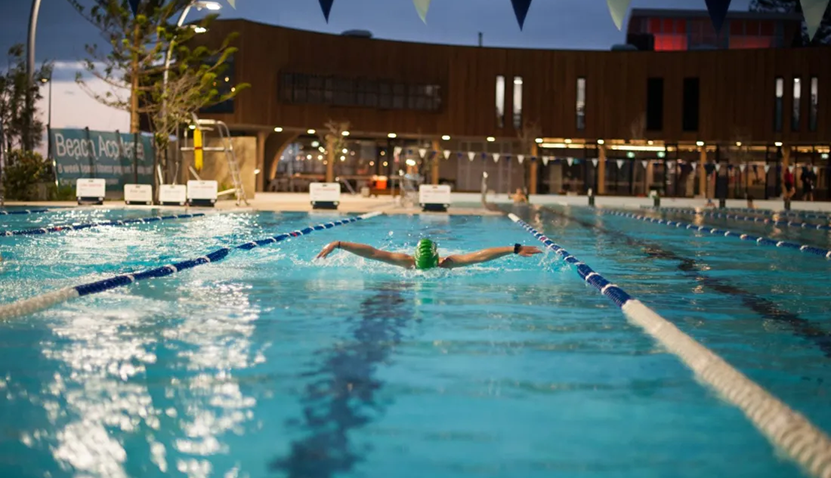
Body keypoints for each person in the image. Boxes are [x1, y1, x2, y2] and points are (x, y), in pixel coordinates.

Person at [316, 238, 542, 270]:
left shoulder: (447, 263)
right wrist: (338, 244)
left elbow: (481, 255)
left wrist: (514, 249)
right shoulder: (406, 262)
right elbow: (373, 253)